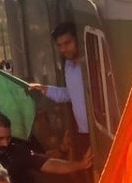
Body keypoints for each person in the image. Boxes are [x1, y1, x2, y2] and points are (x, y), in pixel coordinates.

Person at [31, 22, 90, 154]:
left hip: (95, 131)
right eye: (59, 45)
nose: (63, 49)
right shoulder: (69, 65)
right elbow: (71, 94)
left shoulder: (88, 66)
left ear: (78, 39)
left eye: (67, 43)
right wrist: (44, 89)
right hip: (82, 131)